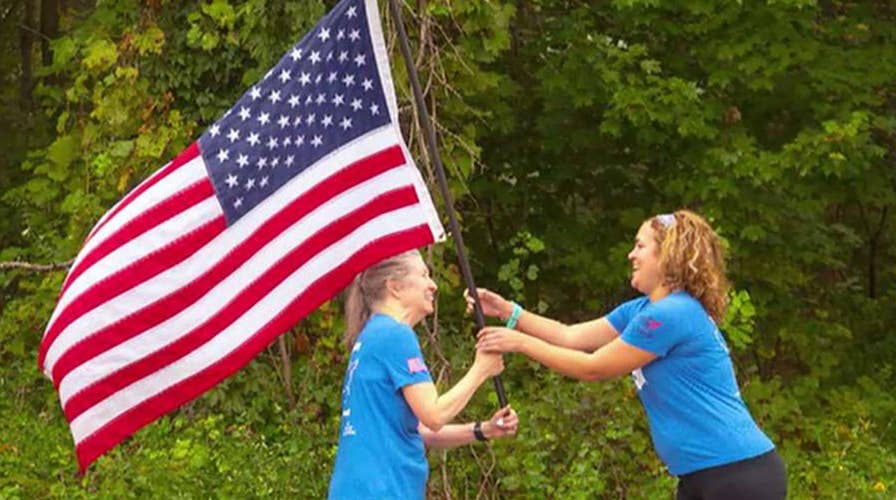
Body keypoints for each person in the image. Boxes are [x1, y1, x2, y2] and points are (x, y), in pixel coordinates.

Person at [471, 210, 786, 500]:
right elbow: (570, 336)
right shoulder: (643, 310)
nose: (631, 255)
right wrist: (508, 311)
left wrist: (520, 343)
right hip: (704, 476)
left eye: (640, 246)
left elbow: (593, 368)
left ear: (667, 256)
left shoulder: (670, 314)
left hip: (736, 474)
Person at [328, 249, 519, 500]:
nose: (433, 285)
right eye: (424, 275)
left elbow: (417, 429)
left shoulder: (372, 336)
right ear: (395, 287)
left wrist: (483, 430)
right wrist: (481, 369)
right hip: (382, 490)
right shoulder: (394, 335)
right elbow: (435, 415)